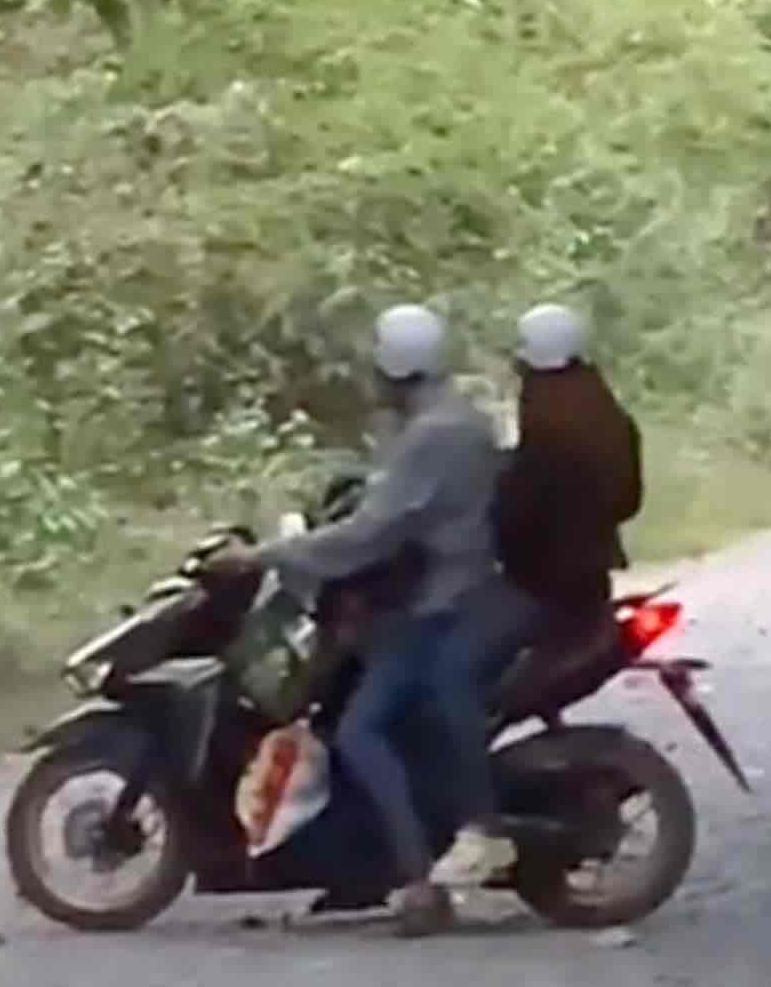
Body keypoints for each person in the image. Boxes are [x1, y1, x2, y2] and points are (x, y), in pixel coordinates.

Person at [207, 302, 540, 937]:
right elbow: (391, 500)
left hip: (439, 604)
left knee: (361, 730)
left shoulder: (434, 434)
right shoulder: (450, 419)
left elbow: (373, 533)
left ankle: (419, 880)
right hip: (446, 593)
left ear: (396, 367)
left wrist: (264, 555)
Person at [491, 302, 644, 703]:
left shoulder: (548, 412)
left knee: (452, 667)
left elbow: (524, 501)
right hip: (590, 569)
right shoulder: (598, 402)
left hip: (547, 576)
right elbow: (627, 498)